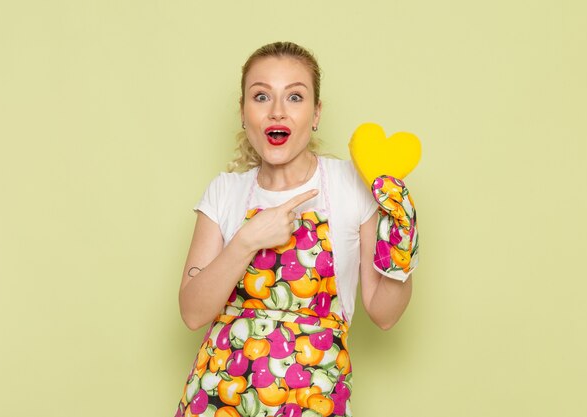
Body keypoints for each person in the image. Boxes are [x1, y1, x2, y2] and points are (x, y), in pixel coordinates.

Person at [174, 41, 417, 417]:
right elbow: (192, 313)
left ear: (316, 113)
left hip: (313, 401)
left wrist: (401, 242)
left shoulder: (351, 186)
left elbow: (384, 314)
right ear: (243, 112)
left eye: (295, 97)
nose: (277, 113)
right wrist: (247, 240)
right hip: (218, 399)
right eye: (261, 97)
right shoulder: (225, 192)